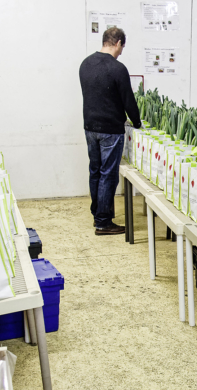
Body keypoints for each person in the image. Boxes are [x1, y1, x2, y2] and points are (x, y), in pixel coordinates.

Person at [79, 27, 142, 235]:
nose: (122, 51)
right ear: (118, 43)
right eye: (122, 46)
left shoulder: (85, 64)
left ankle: (97, 212)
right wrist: (137, 122)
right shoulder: (118, 68)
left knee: (95, 170)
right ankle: (103, 222)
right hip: (110, 130)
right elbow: (128, 101)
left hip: (90, 126)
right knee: (108, 174)